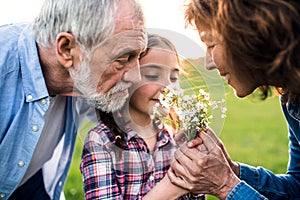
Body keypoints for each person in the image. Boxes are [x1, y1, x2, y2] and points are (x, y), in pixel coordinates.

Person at [0, 0, 147, 199]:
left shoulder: (85, 77)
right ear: (67, 49)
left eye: (138, 56)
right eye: (122, 60)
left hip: (32, 184)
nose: (135, 75)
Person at [167, 0, 300, 199]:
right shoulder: (292, 99)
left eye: (211, 44)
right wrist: (233, 171)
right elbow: (297, 187)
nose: (208, 63)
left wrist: (225, 185)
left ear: (248, 34)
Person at [80, 33, 205, 199]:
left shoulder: (174, 140)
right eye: (153, 75)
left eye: (174, 77)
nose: (167, 86)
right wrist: (174, 185)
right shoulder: (101, 141)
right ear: (128, 78)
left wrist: (197, 183)